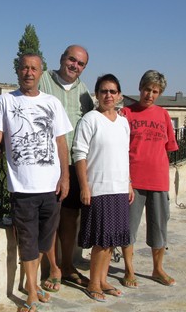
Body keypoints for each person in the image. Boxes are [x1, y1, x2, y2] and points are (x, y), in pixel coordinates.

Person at [0, 53, 72, 312]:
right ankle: (31, 289)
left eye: (34, 68)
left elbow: (60, 142)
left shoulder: (52, 103)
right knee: (28, 240)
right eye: (24, 68)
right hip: (22, 188)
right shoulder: (4, 101)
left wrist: (65, 176)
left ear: (41, 72)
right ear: (17, 71)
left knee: (44, 239)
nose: (28, 72)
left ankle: (32, 283)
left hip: (51, 187)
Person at [72, 73, 134, 302]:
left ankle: (104, 279)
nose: (108, 95)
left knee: (112, 240)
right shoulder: (89, 120)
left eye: (113, 91)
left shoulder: (123, 122)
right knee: (101, 240)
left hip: (119, 188)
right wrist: (84, 187)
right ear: (96, 95)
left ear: (119, 95)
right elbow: (79, 155)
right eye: (104, 91)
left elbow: (124, 156)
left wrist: (128, 183)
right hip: (98, 188)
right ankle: (94, 283)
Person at [38, 45, 94, 291]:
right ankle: (53, 268)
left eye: (81, 64)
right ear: (62, 59)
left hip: (73, 164)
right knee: (50, 218)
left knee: (70, 218)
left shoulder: (84, 92)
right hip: (46, 163)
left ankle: (68, 264)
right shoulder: (43, 81)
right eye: (72, 60)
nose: (75, 66)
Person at [120, 70, 179, 288]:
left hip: (159, 181)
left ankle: (157, 269)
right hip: (133, 182)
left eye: (155, 91)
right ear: (140, 87)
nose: (150, 95)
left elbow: (170, 147)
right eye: (147, 89)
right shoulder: (127, 113)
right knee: (128, 228)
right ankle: (129, 269)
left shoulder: (163, 115)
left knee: (159, 227)